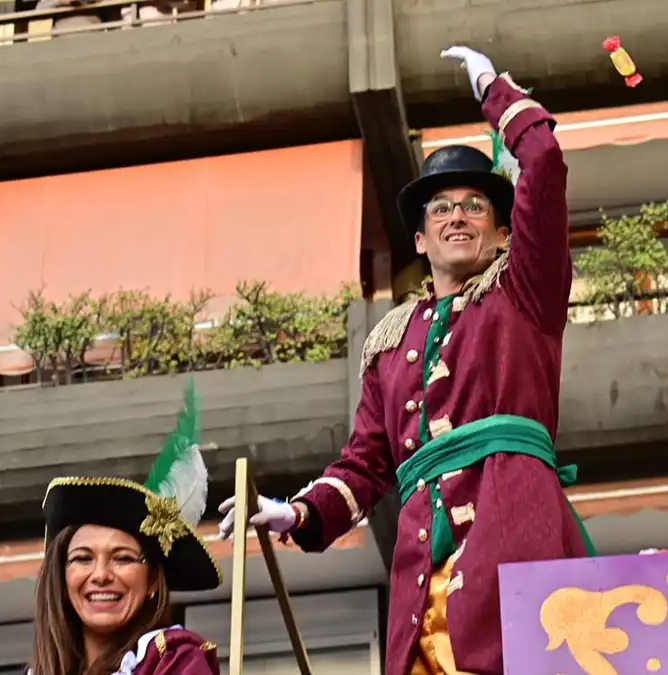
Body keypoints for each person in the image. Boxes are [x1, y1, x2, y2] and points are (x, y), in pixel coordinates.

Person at [218, 46, 594, 675]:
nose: (457, 216)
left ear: (503, 233)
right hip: (422, 559)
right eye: (441, 208)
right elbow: (365, 465)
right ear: (420, 240)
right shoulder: (391, 340)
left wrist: (493, 90)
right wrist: (301, 512)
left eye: (475, 205)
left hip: (513, 532)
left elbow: (545, 161)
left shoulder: (524, 291)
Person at [31, 381, 222, 675]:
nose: (102, 575)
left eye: (122, 558)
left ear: (153, 581)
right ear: (61, 576)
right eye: (82, 558)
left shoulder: (175, 662)